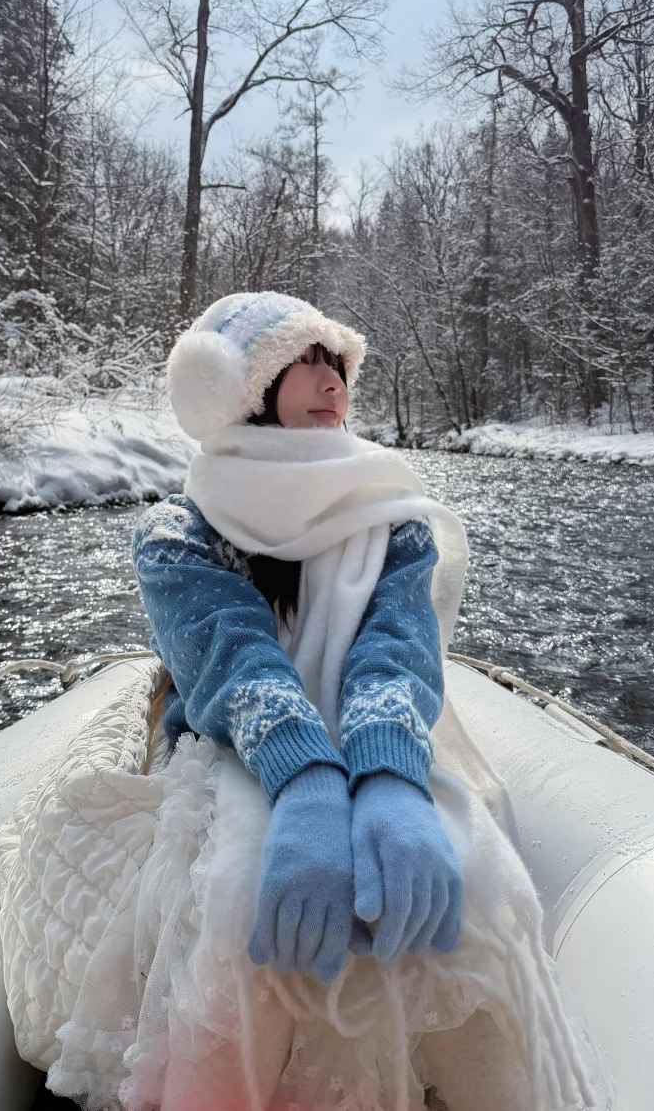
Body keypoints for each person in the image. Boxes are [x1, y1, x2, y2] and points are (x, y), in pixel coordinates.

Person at [47, 292, 613, 1111]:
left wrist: (386, 778)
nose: (331, 382)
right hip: (234, 740)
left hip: (373, 728)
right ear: (243, 388)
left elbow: (397, 648)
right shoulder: (180, 530)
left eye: (336, 364)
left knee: (472, 878)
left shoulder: (392, 514)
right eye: (302, 363)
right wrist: (309, 781)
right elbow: (233, 660)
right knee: (240, 888)